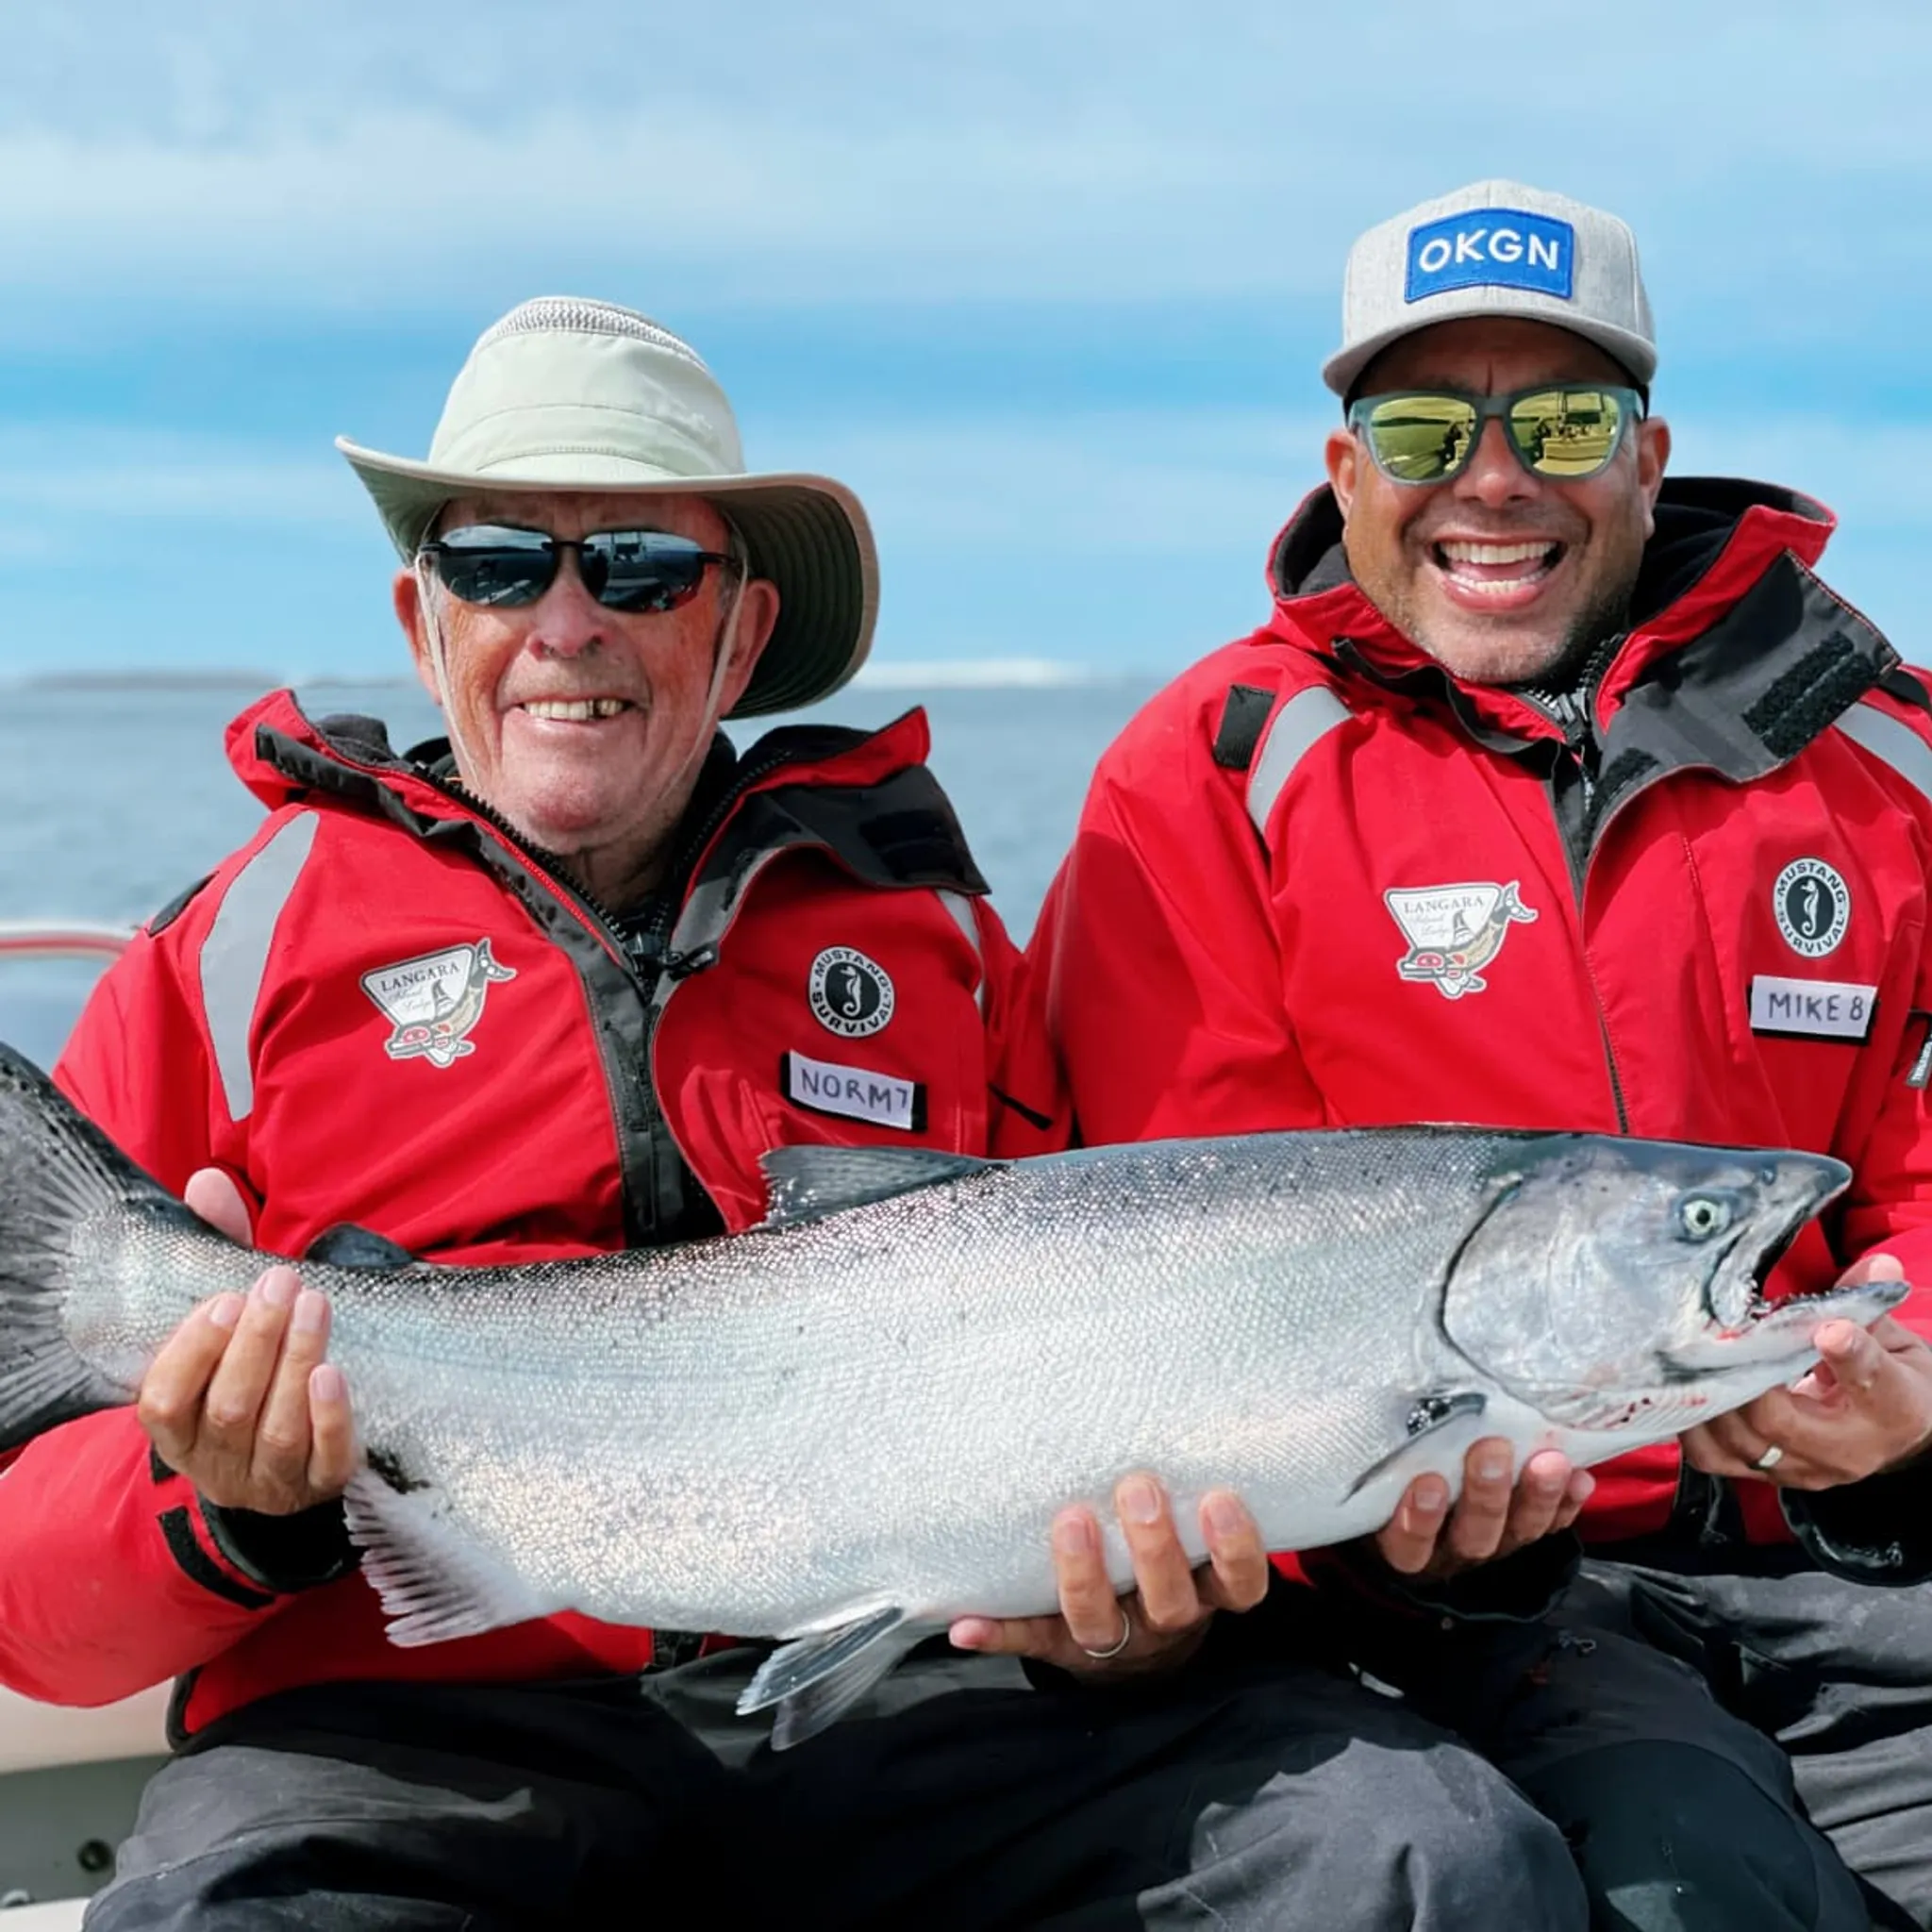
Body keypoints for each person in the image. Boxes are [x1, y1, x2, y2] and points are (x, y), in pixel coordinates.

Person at [0, 297, 1593, 1929]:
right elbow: (29, 1621)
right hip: (402, 1736)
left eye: (638, 568)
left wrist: (1141, 1620)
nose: (567, 623)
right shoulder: (230, 957)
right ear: (424, 622)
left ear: (741, 635)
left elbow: (1153, 1375)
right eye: (498, 565)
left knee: (1417, 1862)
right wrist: (229, 1506)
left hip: (913, 1705)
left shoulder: (942, 952)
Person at [1033, 178, 1932, 1929]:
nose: (1495, 477)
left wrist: (1915, 1394)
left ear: (1650, 454)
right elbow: (1177, 1237)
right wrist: (1380, 1526)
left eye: (1565, 419)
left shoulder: (1886, 751)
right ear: (1350, 464)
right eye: (1428, 423)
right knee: (1699, 1880)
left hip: (1880, 1545)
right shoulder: (1214, 768)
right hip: (1484, 1600)